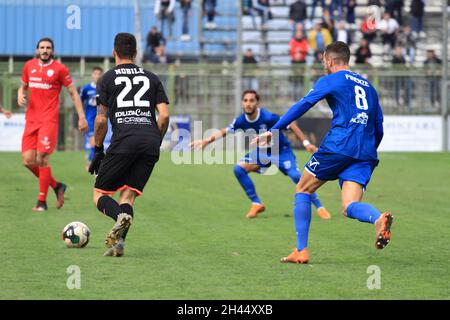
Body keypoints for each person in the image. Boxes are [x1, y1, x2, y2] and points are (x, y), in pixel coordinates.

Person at [253, 41, 393, 264]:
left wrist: (274, 130)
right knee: (349, 207)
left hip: (339, 145)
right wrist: (366, 152)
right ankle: (377, 218)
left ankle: (301, 250)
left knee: (303, 189)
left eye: (324, 62)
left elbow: (303, 104)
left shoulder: (330, 80)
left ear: (329, 61)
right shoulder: (369, 87)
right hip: (365, 152)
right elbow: (379, 127)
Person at [189, 90, 331, 220]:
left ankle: (319, 206)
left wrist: (306, 143)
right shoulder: (241, 120)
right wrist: (206, 140)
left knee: (296, 177)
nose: (248, 103)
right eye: (245, 100)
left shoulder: (268, 117)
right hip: (262, 153)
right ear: (242, 103)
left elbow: (291, 125)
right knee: (239, 169)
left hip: (281, 151)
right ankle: (256, 203)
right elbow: (225, 130)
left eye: (251, 100)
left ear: (257, 103)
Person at [89, 33, 170, 257]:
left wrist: (97, 149)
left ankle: (118, 218)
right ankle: (119, 245)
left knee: (99, 193)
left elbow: (101, 119)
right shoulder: (152, 78)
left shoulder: (106, 79)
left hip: (125, 140)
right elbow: (163, 115)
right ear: (135, 53)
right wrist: (157, 140)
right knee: (128, 195)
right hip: (150, 141)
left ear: (114, 52)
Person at [18, 37, 88, 212]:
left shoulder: (60, 69)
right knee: (27, 161)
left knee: (42, 157)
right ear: (37, 50)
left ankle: (41, 202)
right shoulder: (29, 66)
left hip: (49, 120)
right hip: (31, 120)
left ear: (53, 51)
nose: (45, 50)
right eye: (42, 47)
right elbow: (23, 86)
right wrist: (20, 94)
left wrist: (81, 117)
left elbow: (73, 94)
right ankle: (57, 186)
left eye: (48, 47)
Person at [80, 66, 103, 170]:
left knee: (98, 142)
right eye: (95, 73)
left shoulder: (104, 88)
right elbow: (80, 101)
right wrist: (81, 117)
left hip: (102, 119)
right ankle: (91, 162)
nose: (97, 76)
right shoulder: (86, 88)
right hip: (90, 119)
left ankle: (92, 161)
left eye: (99, 74)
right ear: (92, 75)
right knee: (94, 143)